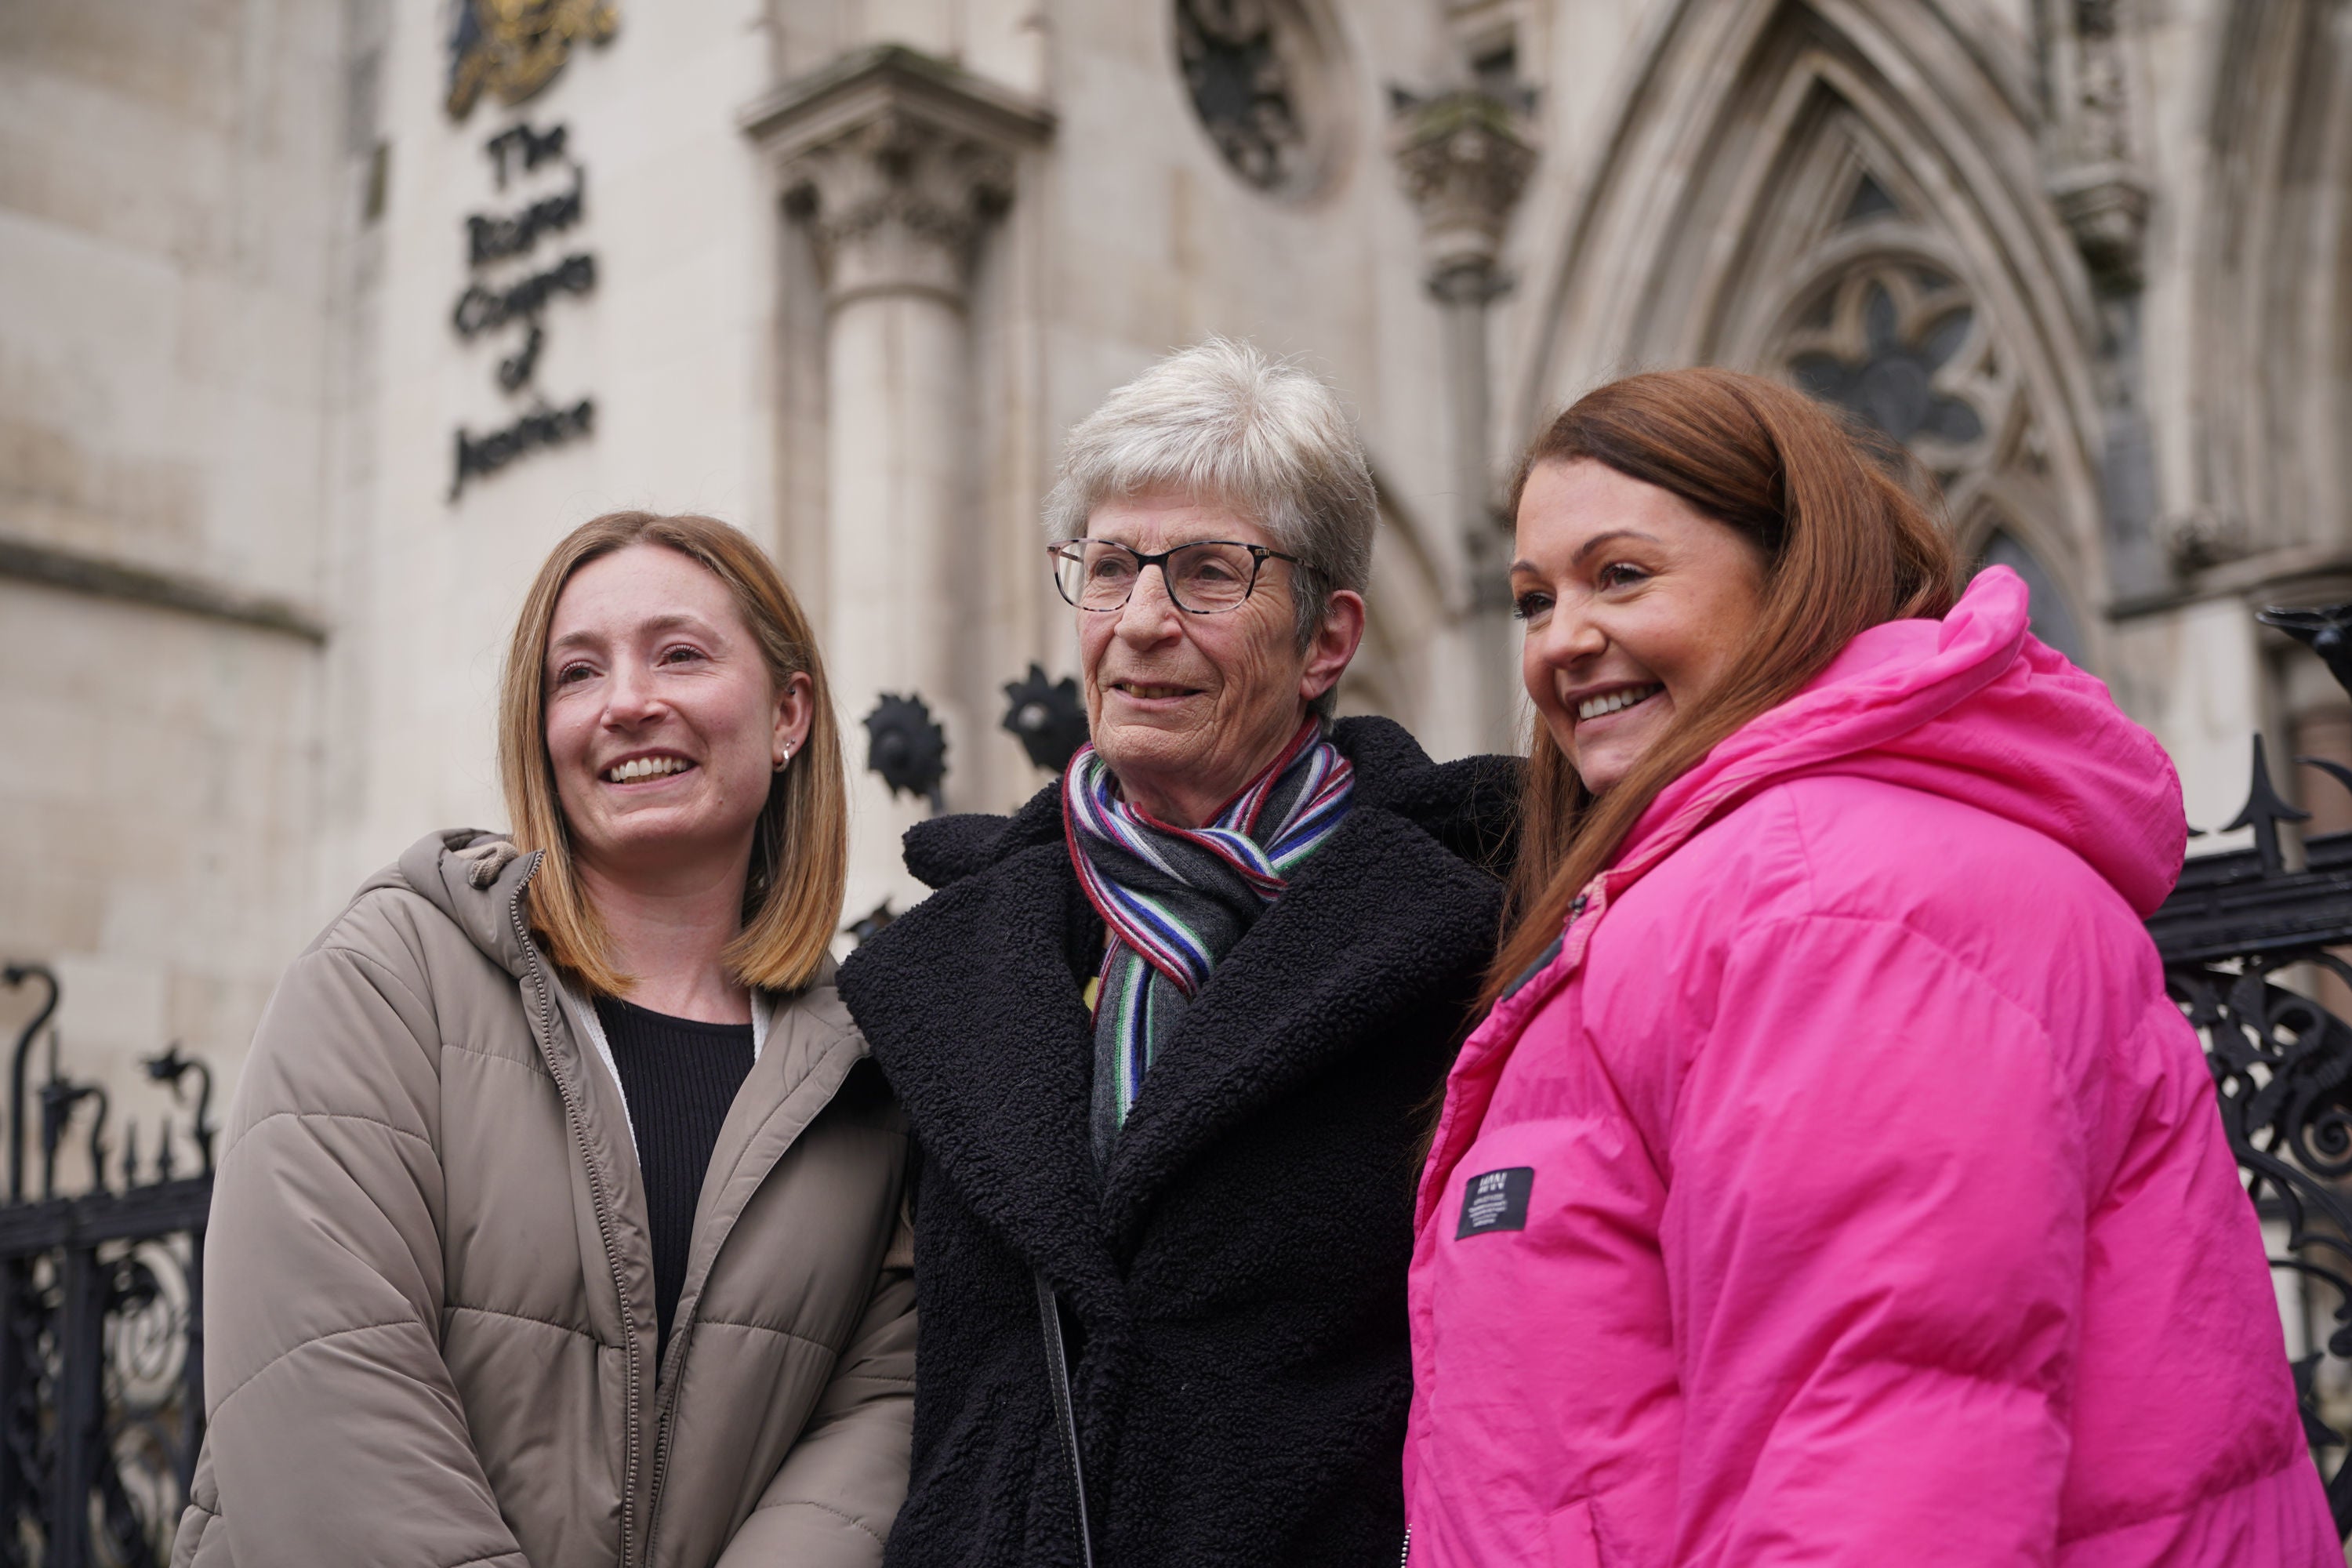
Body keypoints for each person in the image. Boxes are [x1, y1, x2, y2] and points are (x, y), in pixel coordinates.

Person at [1403, 367, 2338, 1565]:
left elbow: (1879, 1449)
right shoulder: (1749, 882)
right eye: (1535, 599)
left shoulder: (1827, 904)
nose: (1564, 642)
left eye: (1621, 575)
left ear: (1793, 577)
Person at [837, 339, 1516, 1566]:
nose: (1143, 621)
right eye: (1109, 569)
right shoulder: (965, 954)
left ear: (1325, 639)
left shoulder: (1477, 933)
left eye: (1209, 574)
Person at [171, 513, 916, 1568]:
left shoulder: (868, 1082)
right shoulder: (390, 977)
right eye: (576, 675)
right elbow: (321, 1376)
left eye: (680, 654)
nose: (626, 703)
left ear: (790, 712)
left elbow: (875, 1431)